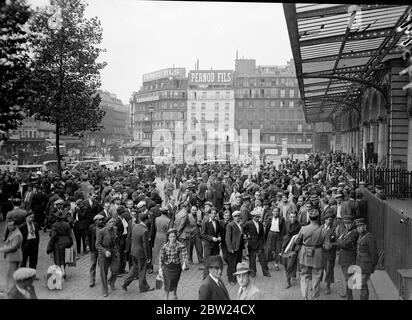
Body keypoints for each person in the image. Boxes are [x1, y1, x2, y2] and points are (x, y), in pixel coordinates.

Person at [294, 209, 328, 300]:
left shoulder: (303, 228)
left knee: (304, 275)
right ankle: (315, 297)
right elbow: (327, 246)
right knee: (316, 276)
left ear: (309, 217)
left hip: (305, 253)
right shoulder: (323, 230)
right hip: (318, 254)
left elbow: (297, 241)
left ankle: (305, 297)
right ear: (318, 218)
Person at [122, 213, 154, 293]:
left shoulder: (135, 226)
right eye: (148, 219)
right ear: (146, 220)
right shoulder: (145, 230)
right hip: (141, 253)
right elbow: (145, 245)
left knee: (134, 268)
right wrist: (148, 257)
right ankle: (143, 287)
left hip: (133, 251)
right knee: (142, 270)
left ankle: (125, 282)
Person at [158, 228, 188, 300]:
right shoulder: (165, 246)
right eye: (170, 237)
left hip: (176, 267)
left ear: (176, 237)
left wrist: (184, 264)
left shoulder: (180, 245)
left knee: (175, 281)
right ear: (168, 237)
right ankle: (166, 297)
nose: (172, 238)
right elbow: (161, 258)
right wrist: (160, 269)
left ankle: (174, 294)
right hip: (167, 266)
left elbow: (184, 255)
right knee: (167, 282)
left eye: (174, 236)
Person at [354, 218, 378, 300]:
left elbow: (374, 253)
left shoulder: (369, 237)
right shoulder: (361, 235)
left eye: (361, 226)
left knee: (361, 284)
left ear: (365, 226)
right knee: (362, 285)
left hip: (366, 265)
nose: (359, 228)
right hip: (360, 264)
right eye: (358, 227)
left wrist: (373, 264)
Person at [335, 215, 358, 300]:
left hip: (349, 259)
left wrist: (341, 241)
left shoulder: (354, 233)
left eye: (349, 223)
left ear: (352, 224)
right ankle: (348, 294)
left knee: (348, 278)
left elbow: (344, 244)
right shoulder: (346, 231)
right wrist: (341, 241)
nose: (347, 225)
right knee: (346, 278)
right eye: (345, 223)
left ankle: (349, 297)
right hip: (343, 258)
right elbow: (339, 241)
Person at [95, 217, 120, 297]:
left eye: (113, 221)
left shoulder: (115, 229)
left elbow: (116, 241)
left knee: (115, 269)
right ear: (106, 223)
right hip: (103, 254)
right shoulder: (101, 231)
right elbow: (97, 244)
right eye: (110, 222)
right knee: (103, 273)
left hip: (113, 252)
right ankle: (105, 289)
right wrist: (105, 252)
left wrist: (116, 250)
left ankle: (111, 281)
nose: (112, 223)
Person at [243, 209, 270, 278]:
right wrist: (247, 235)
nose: (258, 218)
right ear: (253, 217)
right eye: (256, 217)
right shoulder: (248, 223)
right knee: (252, 260)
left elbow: (262, 235)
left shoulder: (260, 224)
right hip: (252, 245)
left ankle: (266, 272)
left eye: (258, 217)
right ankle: (253, 272)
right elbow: (244, 230)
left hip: (260, 245)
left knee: (263, 259)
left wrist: (263, 243)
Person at [47, 210, 73, 280]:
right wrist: (71, 243)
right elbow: (70, 234)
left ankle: (62, 272)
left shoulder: (54, 225)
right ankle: (63, 270)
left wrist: (51, 243)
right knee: (65, 257)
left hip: (58, 243)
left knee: (58, 258)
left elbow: (53, 236)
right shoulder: (67, 224)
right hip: (67, 241)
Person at [0, 218, 23, 292]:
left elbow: (14, 247)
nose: (8, 227)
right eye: (8, 225)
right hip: (12, 257)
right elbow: (8, 242)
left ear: (15, 225)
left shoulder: (17, 234)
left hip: (14, 257)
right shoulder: (12, 232)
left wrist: (2, 249)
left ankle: (11, 291)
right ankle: (10, 289)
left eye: (10, 225)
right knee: (10, 274)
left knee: (12, 275)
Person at [201, 206, 222, 279]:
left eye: (215, 213)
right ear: (209, 214)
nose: (213, 215)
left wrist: (219, 236)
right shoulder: (206, 223)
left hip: (215, 246)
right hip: (208, 246)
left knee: (215, 262)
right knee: (207, 262)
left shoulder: (217, 222)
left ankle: (213, 276)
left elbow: (218, 231)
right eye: (212, 213)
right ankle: (206, 278)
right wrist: (212, 238)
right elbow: (203, 234)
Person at [281, 211, 301, 288]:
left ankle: (288, 280)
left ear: (296, 217)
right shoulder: (286, 223)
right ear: (289, 216)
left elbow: (299, 237)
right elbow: (282, 233)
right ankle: (292, 274)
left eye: (294, 217)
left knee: (290, 264)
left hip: (293, 247)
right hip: (285, 246)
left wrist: (296, 245)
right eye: (291, 216)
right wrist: (283, 242)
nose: (293, 218)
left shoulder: (299, 225)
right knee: (285, 263)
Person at [226, 210, 244, 285]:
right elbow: (227, 238)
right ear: (233, 217)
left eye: (238, 216)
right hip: (233, 248)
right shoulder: (230, 225)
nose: (237, 218)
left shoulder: (241, 224)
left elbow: (241, 234)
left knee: (238, 263)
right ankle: (231, 279)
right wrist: (230, 248)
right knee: (232, 264)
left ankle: (237, 276)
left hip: (239, 247)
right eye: (236, 217)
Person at [321, 211, 337, 294]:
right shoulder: (320, 228)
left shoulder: (334, 229)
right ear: (325, 220)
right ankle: (316, 284)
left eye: (331, 219)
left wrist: (331, 245)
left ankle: (328, 287)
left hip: (330, 253)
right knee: (318, 269)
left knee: (329, 270)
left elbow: (338, 242)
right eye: (327, 219)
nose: (329, 221)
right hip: (320, 252)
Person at [87, 214, 105, 287]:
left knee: (102, 265)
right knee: (92, 264)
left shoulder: (104, 227)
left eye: (102, 220)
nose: (101, 221)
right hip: (93, 249)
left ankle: (103, 279)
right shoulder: (91, 227)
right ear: (96, 221)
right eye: (100, 220)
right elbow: (88, 236)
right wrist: (87, 245)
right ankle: (92, 280)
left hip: (101, 249)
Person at [264, 207, 285, 271]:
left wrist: (282, 237)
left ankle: (276, 264)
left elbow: (283, 229)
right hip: (270, 234)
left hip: (278, 235)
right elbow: (267, 228)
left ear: (279, 212)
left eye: (277, 211)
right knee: (268, 249)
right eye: (274, 211)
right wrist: (265, 237)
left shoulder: (281, 219)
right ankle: (266, 264)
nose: (276, 213)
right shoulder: (270, 218)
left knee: (277, 250)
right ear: (272, 212)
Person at [152, 206, 171, 272]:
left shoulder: (156, 219)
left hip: (157, 235)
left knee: (156, 250)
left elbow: (155, 227)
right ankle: (163, 265)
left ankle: (156, 265)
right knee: (164, 250)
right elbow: (169, 230)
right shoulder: (168, 220)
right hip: (164, 235)